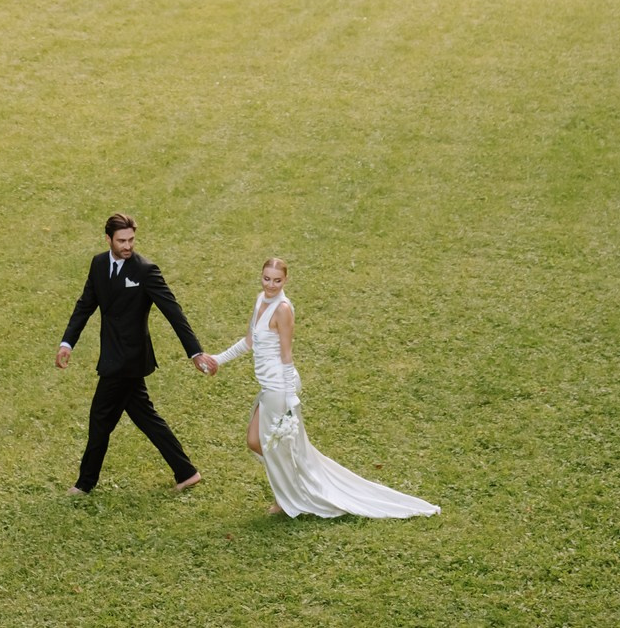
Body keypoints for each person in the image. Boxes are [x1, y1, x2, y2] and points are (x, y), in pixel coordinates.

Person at [205, 255, 439, 520]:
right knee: (256, 442)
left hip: (279, 387)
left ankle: (287, 497)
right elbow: (250, 341)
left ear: (286, 280)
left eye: (277, 280)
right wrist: (218, 359)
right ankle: (290, 489)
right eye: (266, 279)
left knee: (272, 445)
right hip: (269, 386)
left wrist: (289, 397)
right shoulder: (261, 300)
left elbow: (286, 354)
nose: (271, 285)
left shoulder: (283, 309)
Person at [56, 212, 214, 496]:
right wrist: (67, 343)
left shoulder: (145, 270)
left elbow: (173, 311)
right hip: (112, 354)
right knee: (144, 416)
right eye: (121, 241)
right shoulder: (98, 264)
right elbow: (85, 305)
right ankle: (187, 472)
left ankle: (84, 484)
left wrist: (195, 352)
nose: (128, 246)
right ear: (108, 240)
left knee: (100, 418)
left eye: (131, 240)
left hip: (128, 360)